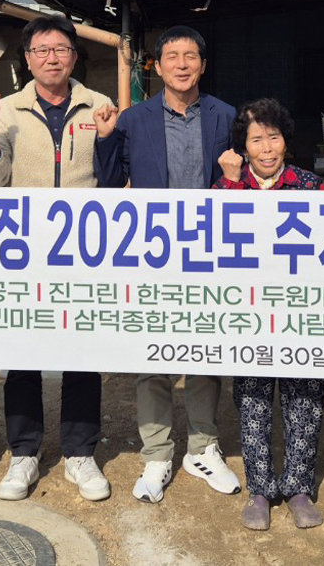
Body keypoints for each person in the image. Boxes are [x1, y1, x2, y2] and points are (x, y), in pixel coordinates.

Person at [92, 25, 242, 503]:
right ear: (156, 66)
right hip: (152, 254)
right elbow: (110, 182)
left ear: (203, 65)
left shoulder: (225, 115)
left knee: (205, 353)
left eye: (190, 56)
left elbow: (241, 181)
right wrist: (105, 138)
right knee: (153, 355)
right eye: (172, 56)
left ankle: (203, 447)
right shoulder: (134, 119)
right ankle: (156, 453)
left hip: (209, 254)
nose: (181, 64)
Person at [0, 15, 113, 503]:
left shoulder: (99, 105)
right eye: (42, 50)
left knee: (82, 353)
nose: (52, 58)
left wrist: (110, 137)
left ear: (74, 56)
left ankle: (80, 453)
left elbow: (113, 177)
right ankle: (24, 452)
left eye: (61, 49)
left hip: (83, 251)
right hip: (24, 251)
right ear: (27, 59)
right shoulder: (7, 109)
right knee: (23, 352)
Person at [213, 98, 324, 531]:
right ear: (242, 146)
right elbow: (214, 239)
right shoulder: (226, 186)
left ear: (285, 141)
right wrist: (231, 184)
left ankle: (298, 487)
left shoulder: (311, 186)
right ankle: (259, 489)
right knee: (253, 400)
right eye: (256, 139)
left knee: (305, 400)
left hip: (300, 313)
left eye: (273, 138)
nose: (266, 148)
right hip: (249, 315)